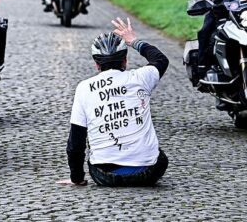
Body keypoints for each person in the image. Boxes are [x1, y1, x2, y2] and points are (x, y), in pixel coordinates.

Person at [59, 18, 169, 187]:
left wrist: (77, 178)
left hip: (104, 175)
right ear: (125, 60)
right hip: (148, 172)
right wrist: (134, 41)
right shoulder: (140, 78)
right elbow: (160, 60)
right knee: (159, 156)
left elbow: (76, 142)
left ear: (97, 64)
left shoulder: (83, 88)